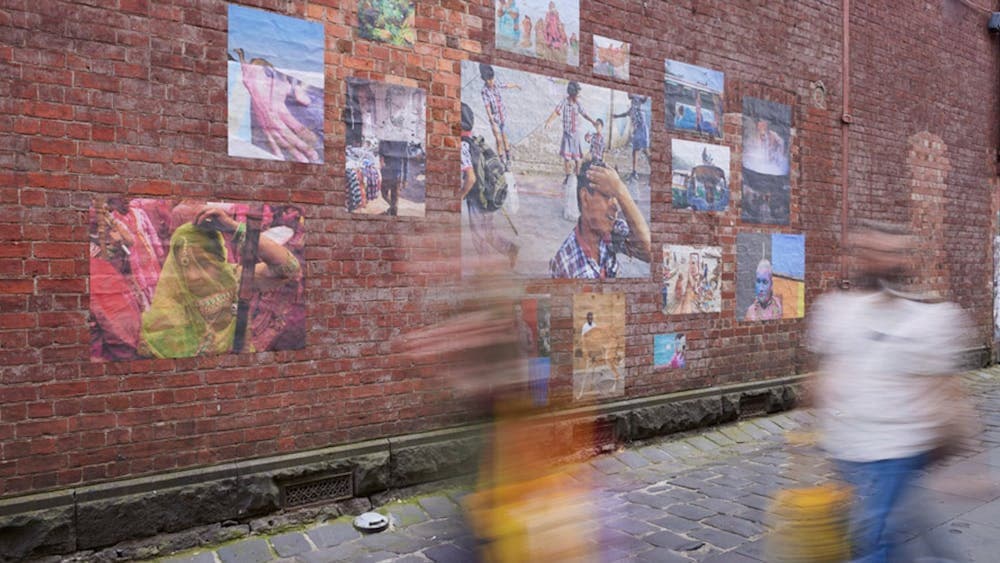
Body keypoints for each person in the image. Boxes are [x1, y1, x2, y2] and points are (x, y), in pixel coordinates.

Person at [810, 221, 971, 562]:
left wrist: (951, 448)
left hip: (895, 449)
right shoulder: (835, 310)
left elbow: (946, 389)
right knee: (890, 534)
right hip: (846, 449)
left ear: (905, 260)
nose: (881, 260)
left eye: (891, 253)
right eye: (872, 251)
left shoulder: (929, 318)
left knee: (873, 536)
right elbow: (823, 375)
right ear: (858, 255)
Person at [139, 206, 301, 358]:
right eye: (188, 261)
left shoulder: (233, 278)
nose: (198, 273)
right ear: (177, 262)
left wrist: (233, 227)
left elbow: (289, 267)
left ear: (219, 257)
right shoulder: (169, 304)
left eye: (206, 260)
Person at [549, 160, 651, 279]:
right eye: (608, 196)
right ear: (585, 198)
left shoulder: (613, 232)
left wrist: (621, 191)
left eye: (616, 197)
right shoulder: (565, 262)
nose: (615, 206)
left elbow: (648, 252)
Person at [460, 103, 519, 268]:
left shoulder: (463, 146)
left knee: (479, 235)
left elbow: (470, 178)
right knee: (489, 231)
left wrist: (461, 195)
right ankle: (510, 249)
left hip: (477, 198)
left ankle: (486, 269)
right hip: (488, 194)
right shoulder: (476, 141)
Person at [544, 81, 596, 184]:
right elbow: (556, 112)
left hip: (576, 134)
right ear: (572, 94)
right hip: (567, 134)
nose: (578, 96)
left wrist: (592, 121)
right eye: (577, 94)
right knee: (567, 158)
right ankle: (568, 176)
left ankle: (577, 176)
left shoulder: (578, 104)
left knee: (577, 158)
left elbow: (584, 114)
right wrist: (549, 121)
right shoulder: (564, 102)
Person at [479, 63, 520, 168]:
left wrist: (515, 85)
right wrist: (491, 119)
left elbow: (505, 85)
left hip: (502, 116)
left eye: (492, 79)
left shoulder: (496, 84)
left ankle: (508, 159)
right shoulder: (484, 91)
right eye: (488, 80)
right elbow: (487, 106)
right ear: (484, 79)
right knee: (498, 139)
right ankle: (501, 160)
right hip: (494, 118)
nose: (491, 82)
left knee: (504, 137)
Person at [613, 94, 650, 180]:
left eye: (636, 101)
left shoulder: (640, 111)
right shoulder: (632, 110)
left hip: (642, 130)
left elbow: (643, 98)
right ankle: (634, 172)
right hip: (637, 131)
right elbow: (625, 114)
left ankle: (647, 170)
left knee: (645, 151)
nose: (634, 102)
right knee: (635, 151)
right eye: (633, 101)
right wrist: (616, 116)